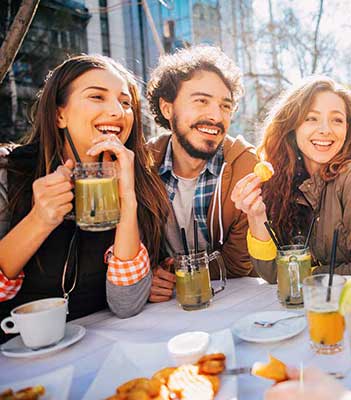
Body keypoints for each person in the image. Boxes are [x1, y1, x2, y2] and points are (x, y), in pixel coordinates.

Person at [0, 55, 170, 342]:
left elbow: (127, 303)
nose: (117, 111)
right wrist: (39, 220)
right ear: (59, 115)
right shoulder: (10, 173)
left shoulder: (141, 182)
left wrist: (126, 199)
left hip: (99, 346)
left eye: (125, 102)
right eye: (97, 97)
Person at [231, 76, 351, 282]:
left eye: (337, 120)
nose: (325, 129)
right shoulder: (282, 181)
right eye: (311, 118)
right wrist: (256, 215)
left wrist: (304, 276)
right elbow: (271, 273)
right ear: (292, 126)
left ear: (347, 130)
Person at [145, 46, 257, 303]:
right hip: (162, 309)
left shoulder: (245, 166)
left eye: (225, 106)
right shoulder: (143, 166)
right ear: (167, 108)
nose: (216, 116)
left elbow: (239, 263)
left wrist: (176, 274)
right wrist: (147, 275)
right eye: (201, 101)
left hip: (229, 299)